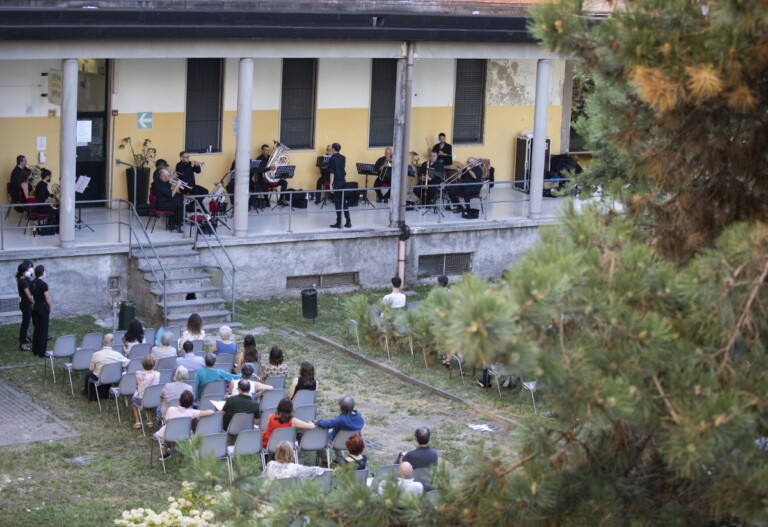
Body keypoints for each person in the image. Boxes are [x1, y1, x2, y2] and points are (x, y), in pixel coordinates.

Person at [155, 390, 214, 459]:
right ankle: (194, 457)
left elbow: (166, 420)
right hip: (184, 434)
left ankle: (164, 453)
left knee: (170, 429)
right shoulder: (192, 412)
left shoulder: (171, 409)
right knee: (175, 430)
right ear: (192, 403)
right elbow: (209, 412)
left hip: (168, 434)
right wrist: (211, 410)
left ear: (180, 400)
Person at [82, 334, 130, 399]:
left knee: (88, 374)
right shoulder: (118, 355)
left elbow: (91, 368)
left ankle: (86, 391)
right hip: (114, 377)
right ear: (113, 342)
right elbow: (127, 363)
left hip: (99, 378)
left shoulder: (96, 354)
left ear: (102, 342)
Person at [264, 441, 330, 481]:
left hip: (271, 495)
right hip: (289, 496)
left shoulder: (270, 464)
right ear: (291, 453)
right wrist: (329, 470)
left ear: (277, 452)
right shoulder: (295, 467)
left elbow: (263, 478)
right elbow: (313, 470)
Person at [132, 355, 160, 429]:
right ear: (154, 364)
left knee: (134, 403)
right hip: (153, 399)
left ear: (142, 364)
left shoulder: (138, 373)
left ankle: (138, 421)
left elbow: (136, 386)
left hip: (140, 399)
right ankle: (149, 421)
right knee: (149, 400)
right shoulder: (157, 374)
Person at [153, 167, 184, 232]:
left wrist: (172, 178)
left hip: (164, 200)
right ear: (162, 176)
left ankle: (171, 224)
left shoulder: (162, 180)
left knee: (180, 197)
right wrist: (177, 185)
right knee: (180, 205)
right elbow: (171, 194)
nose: (169, 177)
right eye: (168, 176)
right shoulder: (160, 184)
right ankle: (178, 224)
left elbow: (169, 187)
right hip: (161, 205)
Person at [30, 265, 51, 358]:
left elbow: (32, 297)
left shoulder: (32, 283)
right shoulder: (43, 284)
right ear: (42, 273)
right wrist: (50, 306)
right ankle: (41, 352)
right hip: (42, 307)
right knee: (43, 330)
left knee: (37, 329)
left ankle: (35, 349)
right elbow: (47, 298)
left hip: (35, 307)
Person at [328, 142, 351, 229]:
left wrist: (331, 185)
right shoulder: (343, 157)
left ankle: (339, 222)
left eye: (331, 148)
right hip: (343, 182)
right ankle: (348, 222)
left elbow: (332, 173)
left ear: (333, 149)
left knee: (337, 203)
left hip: (337, 183)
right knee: (344, 202)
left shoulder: (332, 159)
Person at [16, 261, 34, 352]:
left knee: (25, 323)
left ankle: (24, 339)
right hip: (26, 304)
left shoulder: (21, 279)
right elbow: (29, 296)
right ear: (23, 271)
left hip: (24, 303)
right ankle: (23, 343)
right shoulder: (23, 282)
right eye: (27, 270)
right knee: (25, 324)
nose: (29, 271)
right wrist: (34, 302)